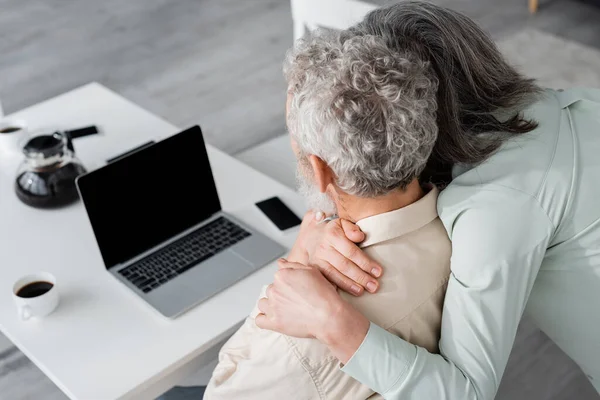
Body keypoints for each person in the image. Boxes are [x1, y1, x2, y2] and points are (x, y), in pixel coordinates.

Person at [160, 2, 600, 399]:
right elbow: (379, 153)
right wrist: (322, 228)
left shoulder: (493, 210)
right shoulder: (532, 108)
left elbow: (467, 394)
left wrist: (334, 321)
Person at [202, 30, 451, 399]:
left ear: (322, 172)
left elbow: (221, 390)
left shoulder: (300, 335)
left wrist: (298, 255)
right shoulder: (461, 226)